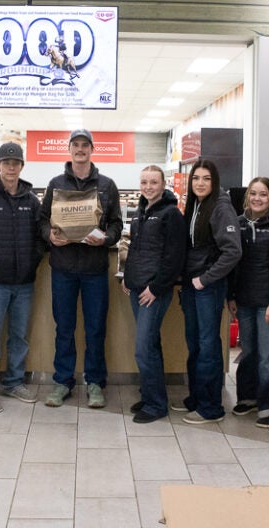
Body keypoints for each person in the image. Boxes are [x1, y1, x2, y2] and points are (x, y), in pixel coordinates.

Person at [38, 129, 123, 408]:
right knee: (64, 327)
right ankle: (62, 382)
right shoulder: (55, 183)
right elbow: (42, 220)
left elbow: (116, 225)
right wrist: (49, 235)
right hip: (62, 268)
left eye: (85, 145)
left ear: (91, 149)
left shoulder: (107, 185)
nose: (80, 149)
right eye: (75, 145)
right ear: (69, 149)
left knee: (96, 328)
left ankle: (95, 383)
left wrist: (106, 239)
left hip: (95, 269)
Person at [0, 144, 44, 413]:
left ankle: (14, 382)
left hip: (25, 282)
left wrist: (33, 258)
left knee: (19, 336)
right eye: (6, 162)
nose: (11, 167)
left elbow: (41, 236)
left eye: (16, 162)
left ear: (22, 166)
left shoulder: (32, 201)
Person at [174, 159, 241, 424]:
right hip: (193, 285)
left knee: (208, 346)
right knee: (195, 344)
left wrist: (205, 278)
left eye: (206, 179)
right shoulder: (196, 205)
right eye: (196, 178)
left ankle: (211, 407)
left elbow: (233, 251)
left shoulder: (221, 207)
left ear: (214, 182)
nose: (200, 183)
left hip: (207, 287)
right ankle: (197, 397)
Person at [227, 177, 269, 428]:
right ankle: (248, 396)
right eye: (253, 194)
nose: (257, 198)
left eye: (263, 194)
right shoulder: (239, 223)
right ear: (247, 197)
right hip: (244, 301)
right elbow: (234, 264)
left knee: (268, 355)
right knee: (249, 352)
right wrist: (231, 296)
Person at [122, 165, 186, 423]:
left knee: (143, 348)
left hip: (154, 291)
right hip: (137, 288)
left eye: (154, 182)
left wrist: (156, 288)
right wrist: (127, 277)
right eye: (144, 182)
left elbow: (174, 258)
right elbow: (134, 249)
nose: (148, 186)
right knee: (151, 346)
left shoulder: (171, 214)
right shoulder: (140, 213)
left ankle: (157, 405)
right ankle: (151, 395)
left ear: (163, 184)